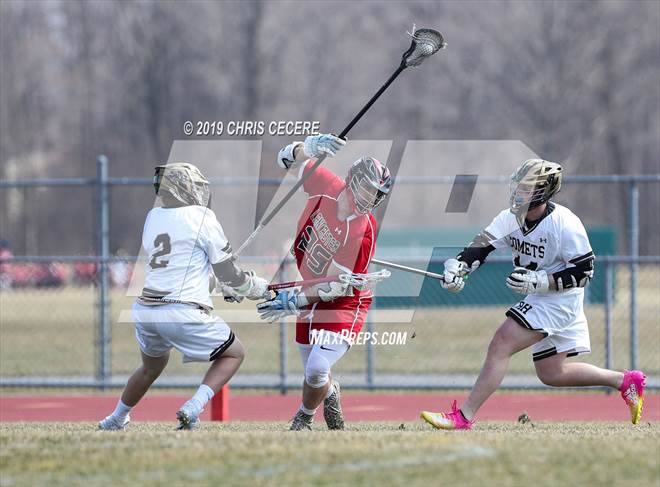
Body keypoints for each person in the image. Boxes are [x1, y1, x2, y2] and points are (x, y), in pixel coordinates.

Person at [420, 159, 646, 430]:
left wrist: (542, 281)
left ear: (544, 191)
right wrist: (459, 267)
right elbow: (481, 247)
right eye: (518, 187)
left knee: (501, 343)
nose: (519, 193)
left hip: (561, 299)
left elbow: (585, 271)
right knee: (551, 372)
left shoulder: (564, 223)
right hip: (542, 298)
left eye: (526, 189)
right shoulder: (509, 218)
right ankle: (625, 381)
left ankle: (463, 417)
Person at [99, 163, 269, 431]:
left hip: (146, 311)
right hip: (181, 311)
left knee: (150, 367)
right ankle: (194, 406)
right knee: (234, 353)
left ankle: (116, 418)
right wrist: (251, 286)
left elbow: (183, 268)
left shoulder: (153, 217)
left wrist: (219, 285)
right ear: (184, 187)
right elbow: (227, 272)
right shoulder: (202, 217)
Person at [257, 134, 392, 430]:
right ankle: (330, 393)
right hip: (311, 287)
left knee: (318, 367)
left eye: (377, 194)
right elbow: (285, 158)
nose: (371, 199)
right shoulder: (327, 186)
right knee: (313, 370)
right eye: (368, 189)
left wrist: (294, 300)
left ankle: (303, 418)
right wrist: (310, 147)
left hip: (344, 300)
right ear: (353, 180)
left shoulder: (365, 229)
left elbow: (334, 287)